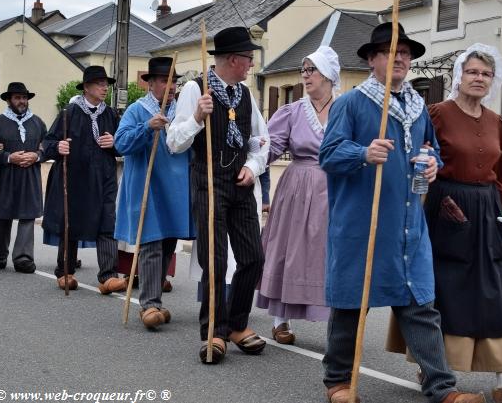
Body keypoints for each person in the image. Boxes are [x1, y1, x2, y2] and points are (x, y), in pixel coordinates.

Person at [318, 22, 485, 403]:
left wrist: (431, 162)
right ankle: (338, 383)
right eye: (393, 53)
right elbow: (327, 155)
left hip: (409, 223)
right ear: (373, 60)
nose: (401, 60)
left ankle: (442, 387)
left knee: (420, 305)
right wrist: (362, 153)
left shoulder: (416, 105)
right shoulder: (351, 103)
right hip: (364, 223)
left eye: (406, 54)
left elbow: (432, 150)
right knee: (350, 305)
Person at [422, 44, 502, 403]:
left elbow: (500, 175)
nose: (479, 79)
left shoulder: (495, 121)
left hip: (487, 211)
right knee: (448, 291)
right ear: (460, 76)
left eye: (486, 74)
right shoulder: (437, 113)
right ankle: (435, 367)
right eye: (473, 72)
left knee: (496, 292)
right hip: (447, 209)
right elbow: (421, 161)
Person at [167, 26, 269, 364]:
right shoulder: (195, 89)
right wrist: (197, 117)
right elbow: (174, 142)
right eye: (249, 58)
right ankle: (214, 331)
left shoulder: (246, 95)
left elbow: (259, 141)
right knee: (216, 260)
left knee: (254, 257)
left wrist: (253, 167)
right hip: (209, 182)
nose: (252, 63)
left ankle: (238, 325)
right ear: (233, 59)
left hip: (240, 184)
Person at [256, 46, 339, 344]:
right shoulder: (291, 111)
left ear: (328, 75)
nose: (305, 76)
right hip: (298, 186)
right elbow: (271, 146)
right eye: (303, 70)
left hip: (335, 188)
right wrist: (250, 159)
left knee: (328, 254)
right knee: (290, 251)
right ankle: (281, 320)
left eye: (311, 70)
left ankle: (337, 322)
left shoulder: (346, 109)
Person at [114, 56, 195, 329]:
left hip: (175, 189)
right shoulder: (138, 110)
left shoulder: (182, 111)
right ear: (151, 84)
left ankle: (155, 299)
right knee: (150, 243)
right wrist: (147, 128)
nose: (171, 87)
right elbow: (121, 143)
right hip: (147, 187)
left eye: (174, 81)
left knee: (168, 244)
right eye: (164, 81)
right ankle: (148, 304)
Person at [42, 66, 126, 294]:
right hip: (76, 177)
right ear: (87, 87)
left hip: (104, 177)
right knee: (71, 223)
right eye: (99, 84)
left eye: (105, 84)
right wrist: (58, 147)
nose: (104, 88)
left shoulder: (111, 114)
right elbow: (47, 144)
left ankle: (108, 276)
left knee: (108, 222)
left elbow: (124, 144)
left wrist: (115, 145)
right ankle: (65, 271)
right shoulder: (69, 112)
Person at [0, 82, 47, 274]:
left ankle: (23, 258)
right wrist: (9, 157)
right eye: (18, 98)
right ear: (9, 100)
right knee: (4, 216)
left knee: (28, 216)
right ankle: (0, 253)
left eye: (24, 98)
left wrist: (37, 156)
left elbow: (47, 146)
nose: (22, 101)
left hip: (30, 175)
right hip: (6, 176)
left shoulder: (38, 122)